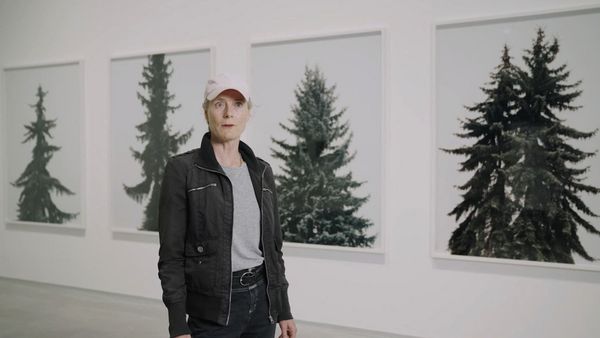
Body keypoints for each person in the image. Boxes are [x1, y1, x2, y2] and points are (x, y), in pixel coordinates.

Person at [157, 74, 297, 338]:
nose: (228, 113)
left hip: (262, 305)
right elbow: (171, 256)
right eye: (219, 104)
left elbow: (273, 247)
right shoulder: (183, 170)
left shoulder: (262, 172)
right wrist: (177, 324)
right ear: (206, 112)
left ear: (248, 113)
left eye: (238, 104)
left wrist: (283, 309)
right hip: (214, 308)